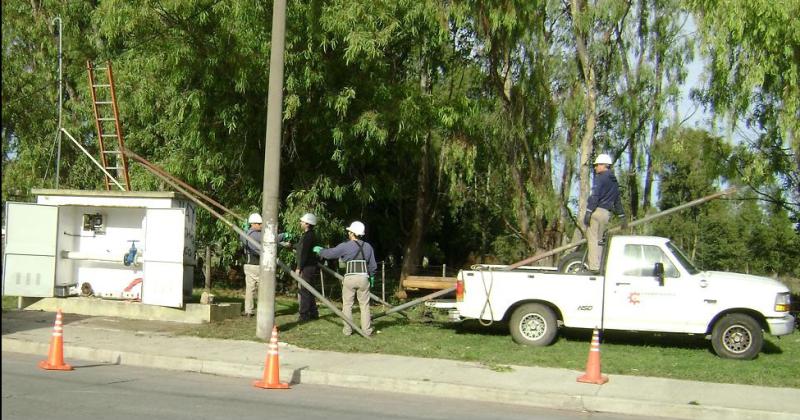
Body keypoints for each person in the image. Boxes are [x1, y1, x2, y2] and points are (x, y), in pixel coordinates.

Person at [315, 221, 377, 336]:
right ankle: (367, 330)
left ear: (352, 233)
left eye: (349, 231)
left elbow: (330, 254)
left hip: (350, 277)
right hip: (364, 278)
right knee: (364, 305)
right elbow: (373, 266)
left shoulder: (345, 245)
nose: (348, 233)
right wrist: (372, 276)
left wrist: (320, 251)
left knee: (347, 305)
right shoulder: (368, 247)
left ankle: (348, 330)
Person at [583, 153, 626, 273]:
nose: (596, 168)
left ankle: (594, 267)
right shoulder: (614, 181)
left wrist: (588, 211)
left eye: (597, 165)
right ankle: (600, 265)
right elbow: (617, 200)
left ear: (603, 165)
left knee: (592, 239)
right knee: (600, 240)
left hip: (596, 212)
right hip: (606, 214)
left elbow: (595, 196)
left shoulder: (600, 178)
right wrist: (622, 216)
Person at [295, 213, 319, 322]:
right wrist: (292, 246)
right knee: (310, 290)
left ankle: (304, 315)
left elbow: (304, 253)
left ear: (307, 224)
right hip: (310, 266)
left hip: (307, 267)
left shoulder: (308, 236)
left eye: (302, 222)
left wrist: (299, 267)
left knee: (304, 290)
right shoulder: (309, 235)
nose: (300, 223)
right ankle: (313, 312)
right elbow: (302, 248)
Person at [240, 213, 263, 317]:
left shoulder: (246, 234)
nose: (261, 225)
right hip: (257, 265)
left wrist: (245, 230)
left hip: (249, 265)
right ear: (253, 224)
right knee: (263, 289)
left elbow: (242, 237)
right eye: (259, 224)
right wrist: (282, 236)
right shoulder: (257, 234)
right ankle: (263, 310)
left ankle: (248, 310)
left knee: (250, 289)